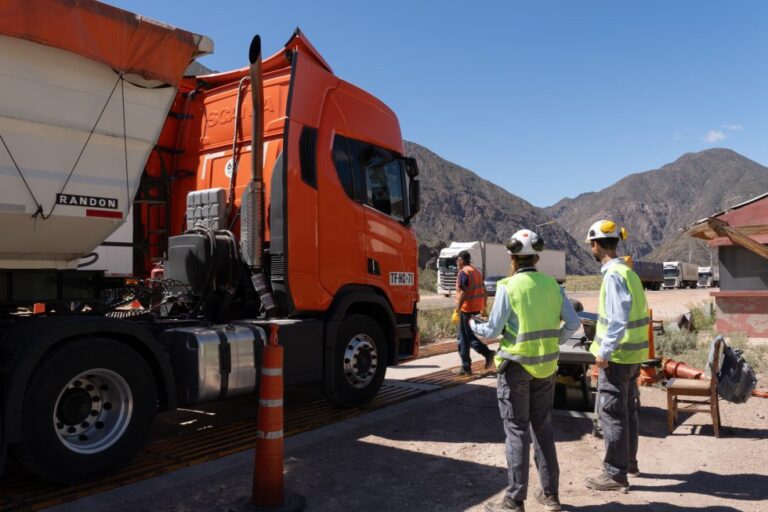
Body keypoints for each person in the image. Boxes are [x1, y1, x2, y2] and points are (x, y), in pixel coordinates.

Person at [472, 230, 580, 512]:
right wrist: (554, 341)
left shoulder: (508, 286)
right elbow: (573, 323)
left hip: (516, 367)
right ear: (537, 258)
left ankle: (514, 500)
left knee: (517, 431)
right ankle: (550, 495)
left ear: (512, 258)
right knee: (542, 428)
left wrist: (472, 325)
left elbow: (492, 330)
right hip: (546, 368)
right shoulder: (553, 286)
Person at [583, 219, 649, 492]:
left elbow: (618, 319)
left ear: (596, 244)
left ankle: (615, 474)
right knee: (628, 412)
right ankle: (629, 463)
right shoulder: (629, 272)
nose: (591, 248)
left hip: (617, 357)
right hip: (632, 355)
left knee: (612, 414)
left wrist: (605, 352)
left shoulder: (613, 275)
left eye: (591, 244)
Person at [453, 250, 495, 375]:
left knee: (465, 337)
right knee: (464, 336)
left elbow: (463, 292)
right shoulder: (476, 272)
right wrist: (483, 307)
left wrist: (456, 310)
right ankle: (466, 366)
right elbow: (484, 292)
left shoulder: (464, 272)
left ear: (461, 260)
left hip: (466, 309)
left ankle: (486, 354)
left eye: (457, 260)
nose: (456, 262)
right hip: (475, 308)